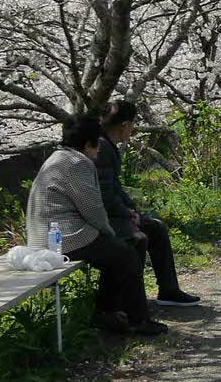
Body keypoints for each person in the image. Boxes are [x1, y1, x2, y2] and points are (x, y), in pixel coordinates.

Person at [26, 116, 167, 335]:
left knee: (122, 251)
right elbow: (93, 209)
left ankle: (108, 313)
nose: (99, 150)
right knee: (126, 255)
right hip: (65, 238)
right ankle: (137, 319)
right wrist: (109, 232)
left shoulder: (57, 158)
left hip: (44, 236)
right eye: (97, 144)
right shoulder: (78, 163)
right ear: (87, 144)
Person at [96, 100, 200, 306]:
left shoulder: (107, 146)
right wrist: (128, 214)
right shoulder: (101, 148)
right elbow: (104, 195)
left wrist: (131, 210)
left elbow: (115, 189)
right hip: (102, 219)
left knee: (156, 228)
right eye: (133, 124)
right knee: (138, 237)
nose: (133, 129)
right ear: (124, 125)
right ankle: (132, 303)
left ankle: (168, 290)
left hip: (114, 214)